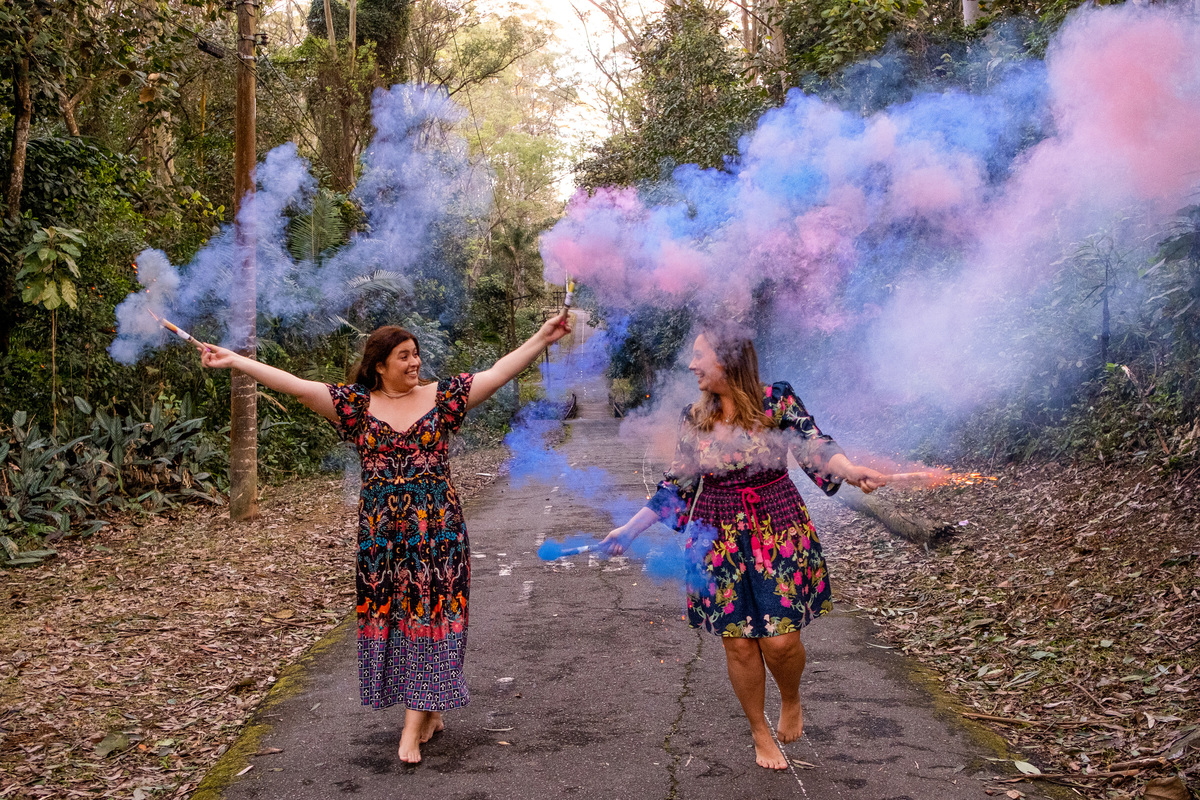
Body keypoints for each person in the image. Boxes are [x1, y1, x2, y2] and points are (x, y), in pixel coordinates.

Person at [199, 309, 572, 764]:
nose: (415, 363)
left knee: (434, 617)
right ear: (379, 364)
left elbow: (497, 372)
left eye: (416, 354)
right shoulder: (353, 406)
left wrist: (541, 335)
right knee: (399, 621)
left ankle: (412, 728)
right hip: (381, 541)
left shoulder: (442, 398)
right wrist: (235, 360)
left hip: (439, 534)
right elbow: (292, 384)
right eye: (404, 356)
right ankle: (431, 712)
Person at [601, 325, 887, 770]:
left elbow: (814, 443)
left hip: (777, 529)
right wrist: (629, 530)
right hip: (716, 536)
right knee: (738, 645)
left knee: (780, 643)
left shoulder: (777, 401)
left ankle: (790, 699)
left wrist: (849, 470)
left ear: (729, 358)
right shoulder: (695, 418)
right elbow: (677, 483)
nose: (692, 364)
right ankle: (759, 730)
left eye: (700, 355)